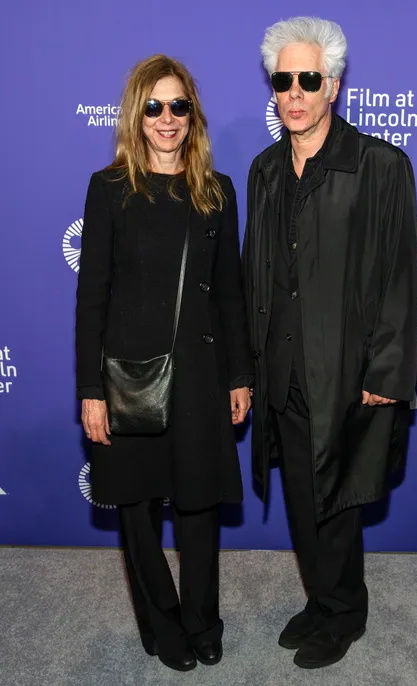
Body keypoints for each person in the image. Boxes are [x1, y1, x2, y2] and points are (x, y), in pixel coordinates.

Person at [242, 17, 417, 670]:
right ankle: (320, 598)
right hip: (282, 372)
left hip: (348, 372)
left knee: (338, 499)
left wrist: (387, 370)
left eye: (307, 79)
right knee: (300, 496)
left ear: (334, 87)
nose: (294, 91)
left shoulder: (379, 166)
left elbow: (401, 280)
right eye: (283, 79)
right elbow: (251, 272)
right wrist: (246, 368)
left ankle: (344, 613)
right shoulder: (265, 170)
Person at [76, 54, 253, 672]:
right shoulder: (110, 191)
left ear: (192, 114)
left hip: (202, 379)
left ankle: (204, 620)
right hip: (131, 378)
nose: (167, 118)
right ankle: (162, 623)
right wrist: (90, 388)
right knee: (138, 511)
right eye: (154, 107)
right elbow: (91, 297)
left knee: (201, 506)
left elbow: (230, 292)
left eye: (179, 105)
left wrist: (239, 374)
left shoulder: (217, 191)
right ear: (136, 114)